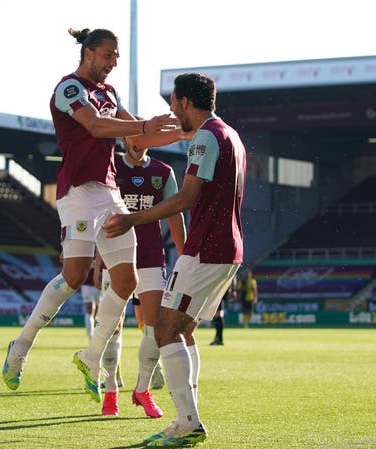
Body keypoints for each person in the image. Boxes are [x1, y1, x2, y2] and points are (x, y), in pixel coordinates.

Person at [1, 27, 181, 392]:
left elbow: (138, 137)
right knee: (74, 275)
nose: (113, 62)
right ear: (88, 54)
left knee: (126, 281)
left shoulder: (109, 93)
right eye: (108, 55)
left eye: (117, 56)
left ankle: (91, 354)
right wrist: (144, 124)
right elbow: (98, 127)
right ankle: (20, 346)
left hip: (110, 192)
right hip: (78, 192)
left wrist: (184, 132)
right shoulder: (70, 89)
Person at [103, 72, 246, 447]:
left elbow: (185, 199)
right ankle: (188, 415)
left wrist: (132, 219)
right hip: (225, 249)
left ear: (184, 101)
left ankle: (187, 421)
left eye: (173, 101)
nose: (170, 107)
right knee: (180, 330)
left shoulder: (206, 138)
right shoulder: (227, 134)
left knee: (164, 329)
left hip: (206, 249)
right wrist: (141, 127)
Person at [97, 135, 186, 417]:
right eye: (134, 138)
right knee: (113, 326)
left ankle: (142, 390)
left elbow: (175, 216)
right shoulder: (109, 166)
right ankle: (111, 391)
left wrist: (184, 257)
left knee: (156, 325)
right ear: (124, 140)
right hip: (115, 257)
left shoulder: (163, 172)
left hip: (150, 257)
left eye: (144, 138)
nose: (138, 143)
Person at [210, 275, 236, 345]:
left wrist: (233, 290)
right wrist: (233, 290)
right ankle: (218, 338)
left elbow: (233, 276)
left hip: (221, 288)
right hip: (223, 288)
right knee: (218, 314)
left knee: (218, 314)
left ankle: (219, 339)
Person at [81, 265, 100, 342]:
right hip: (87, 284)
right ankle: (91, 337)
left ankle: (97, 336)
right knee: (90, 309)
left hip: (101, 284)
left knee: (98, 312)